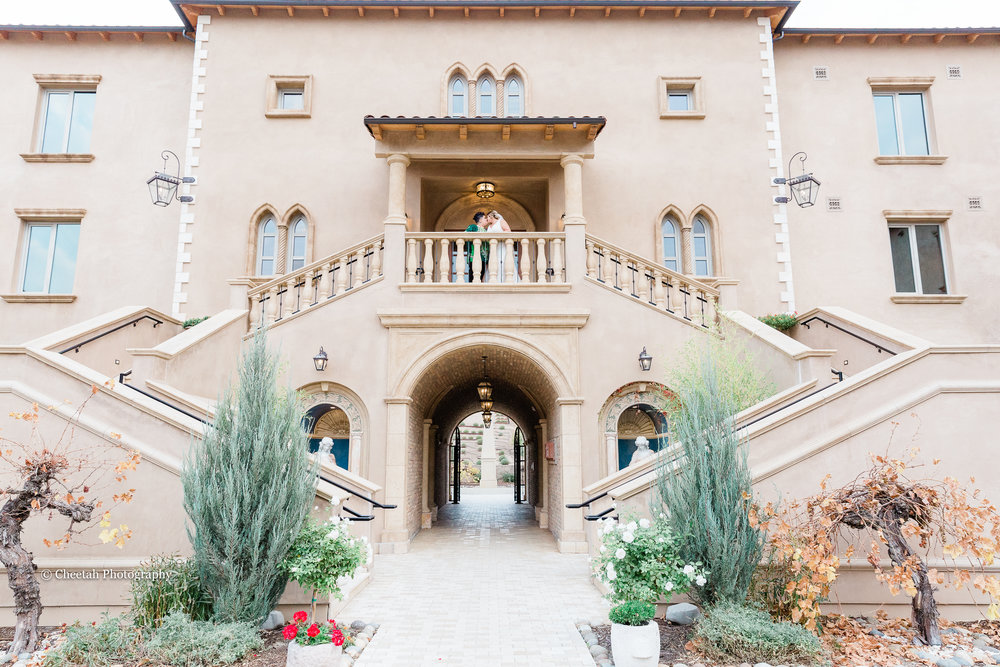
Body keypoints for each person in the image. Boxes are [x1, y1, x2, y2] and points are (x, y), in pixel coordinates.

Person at [485, 210, 511, 281]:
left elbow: (508, 231)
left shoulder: (501, 221)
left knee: (502, 261)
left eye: (487, 217)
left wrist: (498, 236)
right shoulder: (489, 226)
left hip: (501, 246)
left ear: (491, 216)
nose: (487, 219)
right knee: (493, 263)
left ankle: (503, 280)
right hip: (493, 248)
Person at [464, 212, 489, 282]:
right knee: (473, 274)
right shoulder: (474, 227)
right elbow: (465, 234)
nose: (486, 219)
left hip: (484, 256)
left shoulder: (487, 230)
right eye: (484, 218)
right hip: (474, 254)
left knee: (482, 274)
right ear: (480, 220)